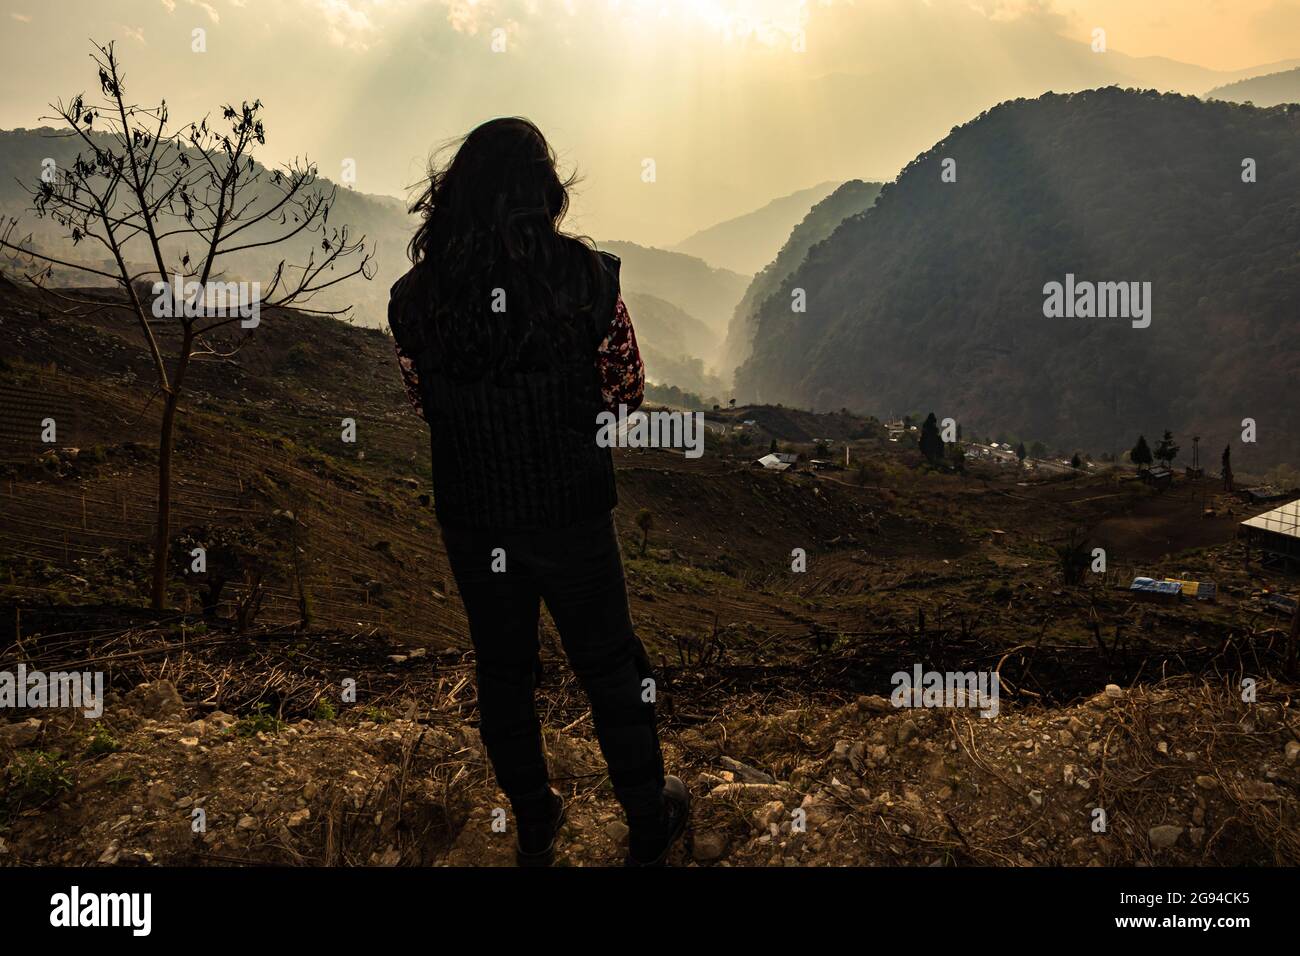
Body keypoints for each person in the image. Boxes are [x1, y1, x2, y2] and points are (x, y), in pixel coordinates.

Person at [387, 117, 688, 867]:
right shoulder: (588, 280)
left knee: (504, 669)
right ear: (542, 190)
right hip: (572, 513)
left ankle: (533, 818)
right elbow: (625, 391)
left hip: (474, 515)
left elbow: (425, 400)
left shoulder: (414, 298)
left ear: (454, 192)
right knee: (611, 665)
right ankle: (650, 820)